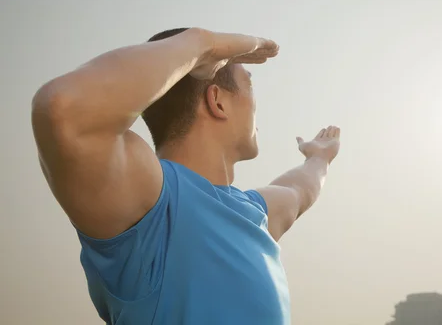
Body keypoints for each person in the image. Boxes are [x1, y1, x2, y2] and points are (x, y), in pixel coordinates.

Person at [31, 27, 341, 325]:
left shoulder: (253, 214)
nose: (257, 102)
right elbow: (62, 107)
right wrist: (202, 43)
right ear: (217, 100)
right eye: (249, 84)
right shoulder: (152, 204)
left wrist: (319, 157)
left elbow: (300, 189)